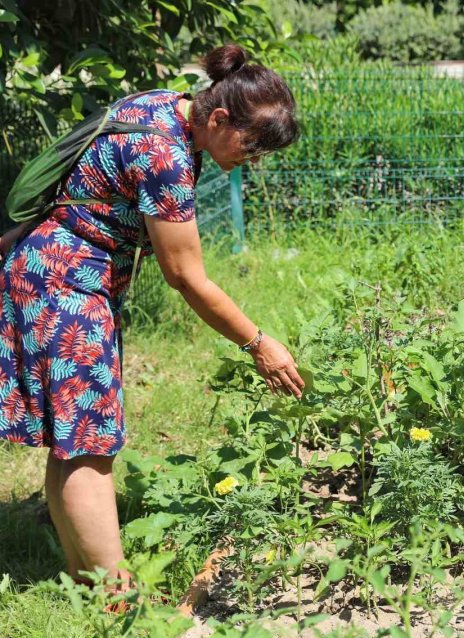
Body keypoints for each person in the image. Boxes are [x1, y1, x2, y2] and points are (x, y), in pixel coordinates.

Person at [0, 44, 306, 593]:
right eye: (251, 146)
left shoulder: (166, 104)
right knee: (89, 443)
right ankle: (116, 599)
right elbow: (186, 276)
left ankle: (84, 582)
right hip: (65, 285)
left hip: (50, 272)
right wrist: (259, 343)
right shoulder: (164, 154)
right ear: (218, 119)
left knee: (74, 438)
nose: (252, 160)